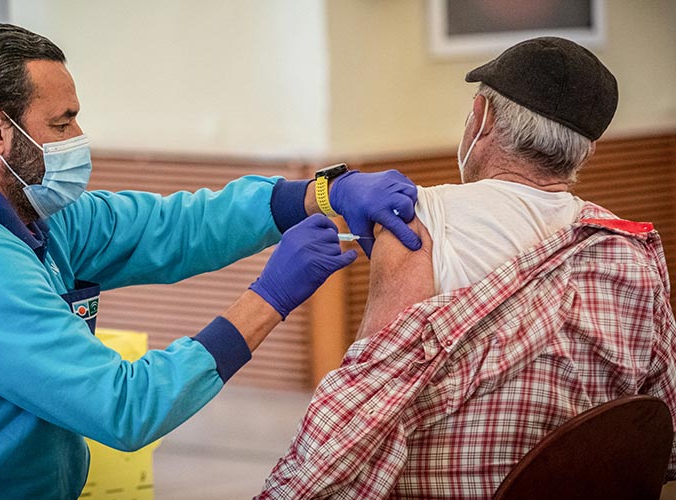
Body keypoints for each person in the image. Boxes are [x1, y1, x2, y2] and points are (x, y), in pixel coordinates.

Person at [0, 24, 423, 498]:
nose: (79, 139)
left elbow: (178, 226)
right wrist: (269, 298)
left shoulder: (36, 216)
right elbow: (126, 407)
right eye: (62, 124)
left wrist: (323, 192)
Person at [257, 37, 676, 499]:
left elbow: (364, 415)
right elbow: (659, 425)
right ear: (587, 149)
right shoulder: (626, 250)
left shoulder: (419, 220)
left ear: (482, 117)